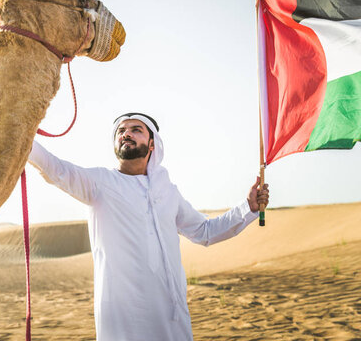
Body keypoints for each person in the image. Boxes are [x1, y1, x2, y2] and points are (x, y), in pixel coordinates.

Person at [28, 112, 269, 341]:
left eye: (136, 130)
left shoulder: (168, 191)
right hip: (124, 320)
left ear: (153, 144)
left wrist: (247, 207)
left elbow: (205, 232)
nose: (126, 134)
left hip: (171, 319)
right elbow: (55, 169)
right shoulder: (99, 183)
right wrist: (21, 135)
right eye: (121, 131)